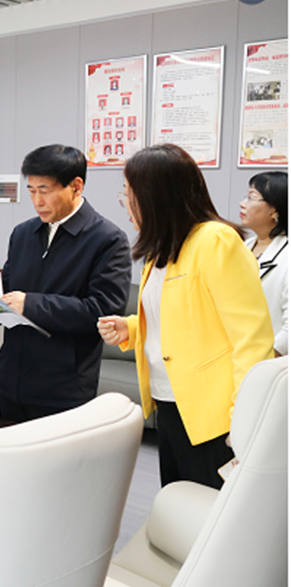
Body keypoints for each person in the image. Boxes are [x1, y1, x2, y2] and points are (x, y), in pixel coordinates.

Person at [98, 144, 273, 490]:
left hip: (215, 414)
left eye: (129, 193)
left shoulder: (215, 241)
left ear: (156, 196)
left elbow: (251, 339)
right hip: (170, 401)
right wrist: (132, 327)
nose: (126, 203)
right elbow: (181, 315)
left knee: (209, 506)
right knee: (178, 498)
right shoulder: (163, 249)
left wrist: (242, 417)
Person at [0, 144, 131, 421]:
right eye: (31, 191)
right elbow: (7, 292)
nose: (37, 201)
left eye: (44, 191)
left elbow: (103, 310)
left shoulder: (108, 240)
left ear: (76, 187)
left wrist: (31, 304)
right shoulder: (23, 234)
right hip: (11, 380)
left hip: (64, 388)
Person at [239, 171, 287, 357]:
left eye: (251, 198)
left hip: (272, 361)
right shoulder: (243, 247)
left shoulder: (286, 254)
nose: (242, 204)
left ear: (275, 210)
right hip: (237, 354)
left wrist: (262, 358)